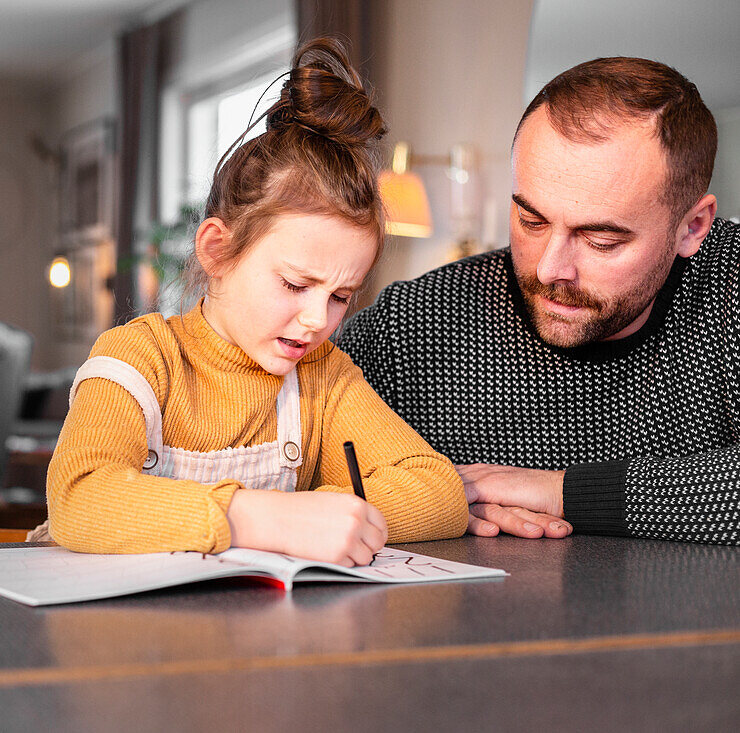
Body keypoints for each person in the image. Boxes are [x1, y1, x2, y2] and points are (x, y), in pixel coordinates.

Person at [41, 38, 468, 565]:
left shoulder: (322, 377)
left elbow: (439, 491)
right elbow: (80, 499)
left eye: (340, 296)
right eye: (294, 285)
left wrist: (330, 511)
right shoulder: (140, 358)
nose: (317, 321)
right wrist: (264, 519)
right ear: (217, 250)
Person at [338, 56, 738, 545]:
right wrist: (422, 506)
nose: (550, 269)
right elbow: (282, 461)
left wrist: (561, 492)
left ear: (692, 227)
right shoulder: (410, 325)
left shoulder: (729, 280)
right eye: (531, 220)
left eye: (602, 241)